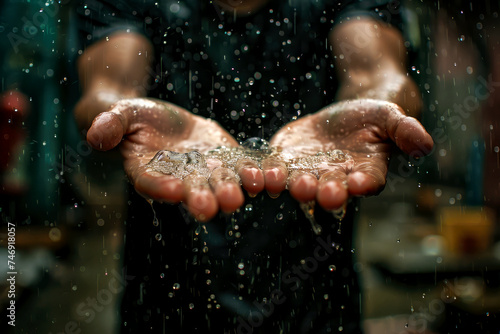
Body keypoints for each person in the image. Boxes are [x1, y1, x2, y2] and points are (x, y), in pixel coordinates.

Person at [75, 0, 433, 332]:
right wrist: (119, 110)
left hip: (317, 307)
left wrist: (379, 101)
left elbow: (374, 71)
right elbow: (112, 84)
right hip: (165, 306)